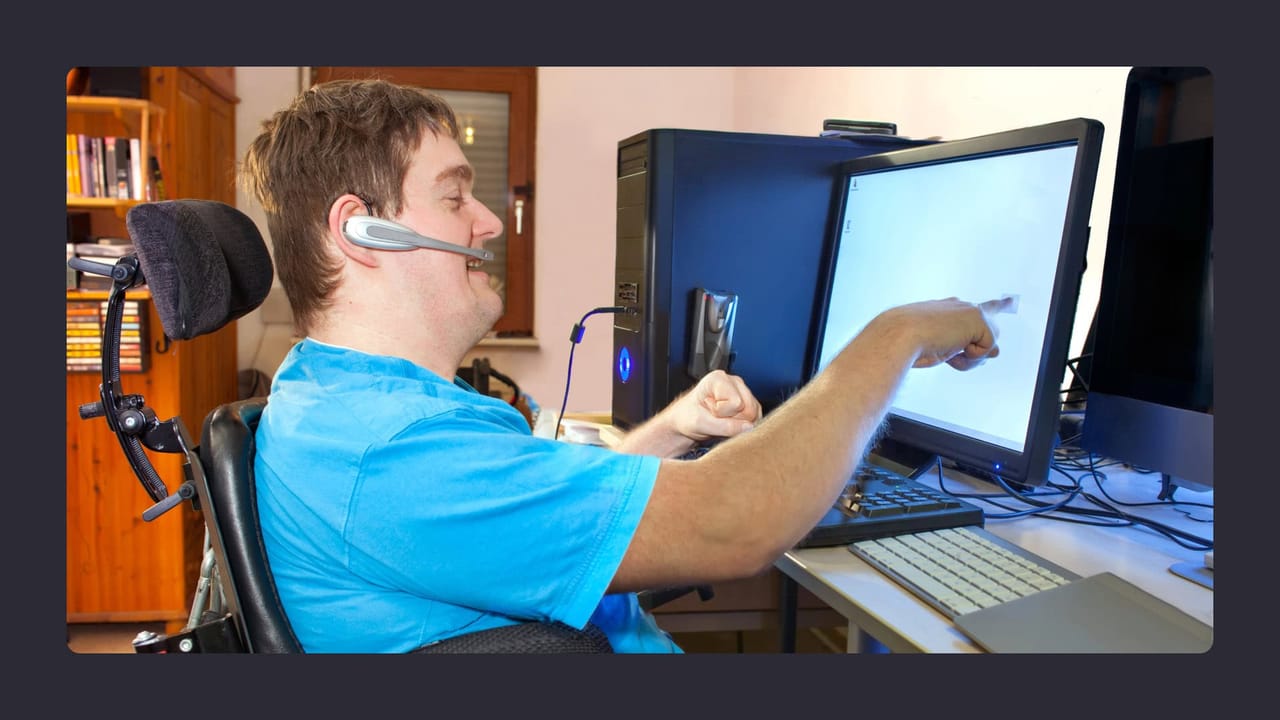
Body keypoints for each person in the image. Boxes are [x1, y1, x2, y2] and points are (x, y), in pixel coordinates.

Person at [241, 78, 1012, 654]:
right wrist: (897, 334)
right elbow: (735, 525)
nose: (486, 221)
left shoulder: (340, 401)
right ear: (364, 231)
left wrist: (676, 427)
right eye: (454, 198)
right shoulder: (391, 454)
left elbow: (543, 515)